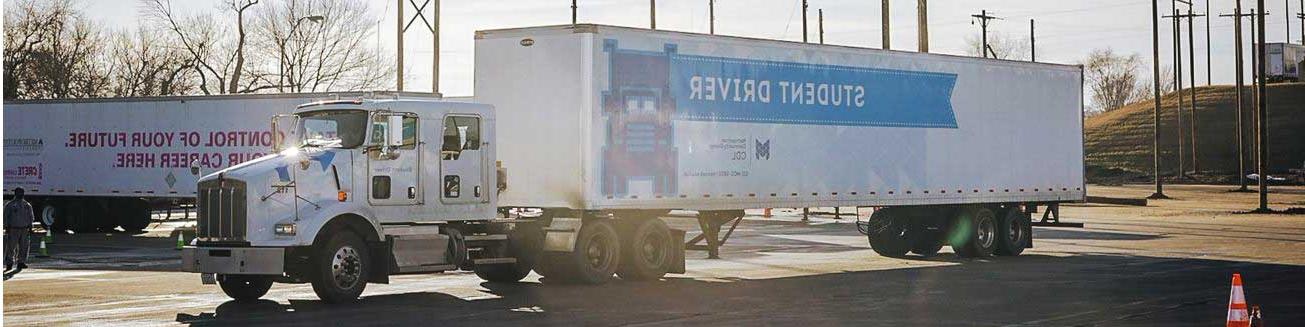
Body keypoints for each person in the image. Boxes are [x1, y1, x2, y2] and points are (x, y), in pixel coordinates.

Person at [4, 187, 35, 274]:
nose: (21, 194)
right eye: (19, 193)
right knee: (11, 247)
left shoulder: (27, 205)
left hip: (24, 229)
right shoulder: (10, 205)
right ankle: (9, 263)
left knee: (24, 247)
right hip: (13, 228)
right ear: (15, 194)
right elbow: (6, 216)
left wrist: (30, 227)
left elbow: (31, 217)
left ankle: (21, 262)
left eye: (22, 193)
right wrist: (6, 227)